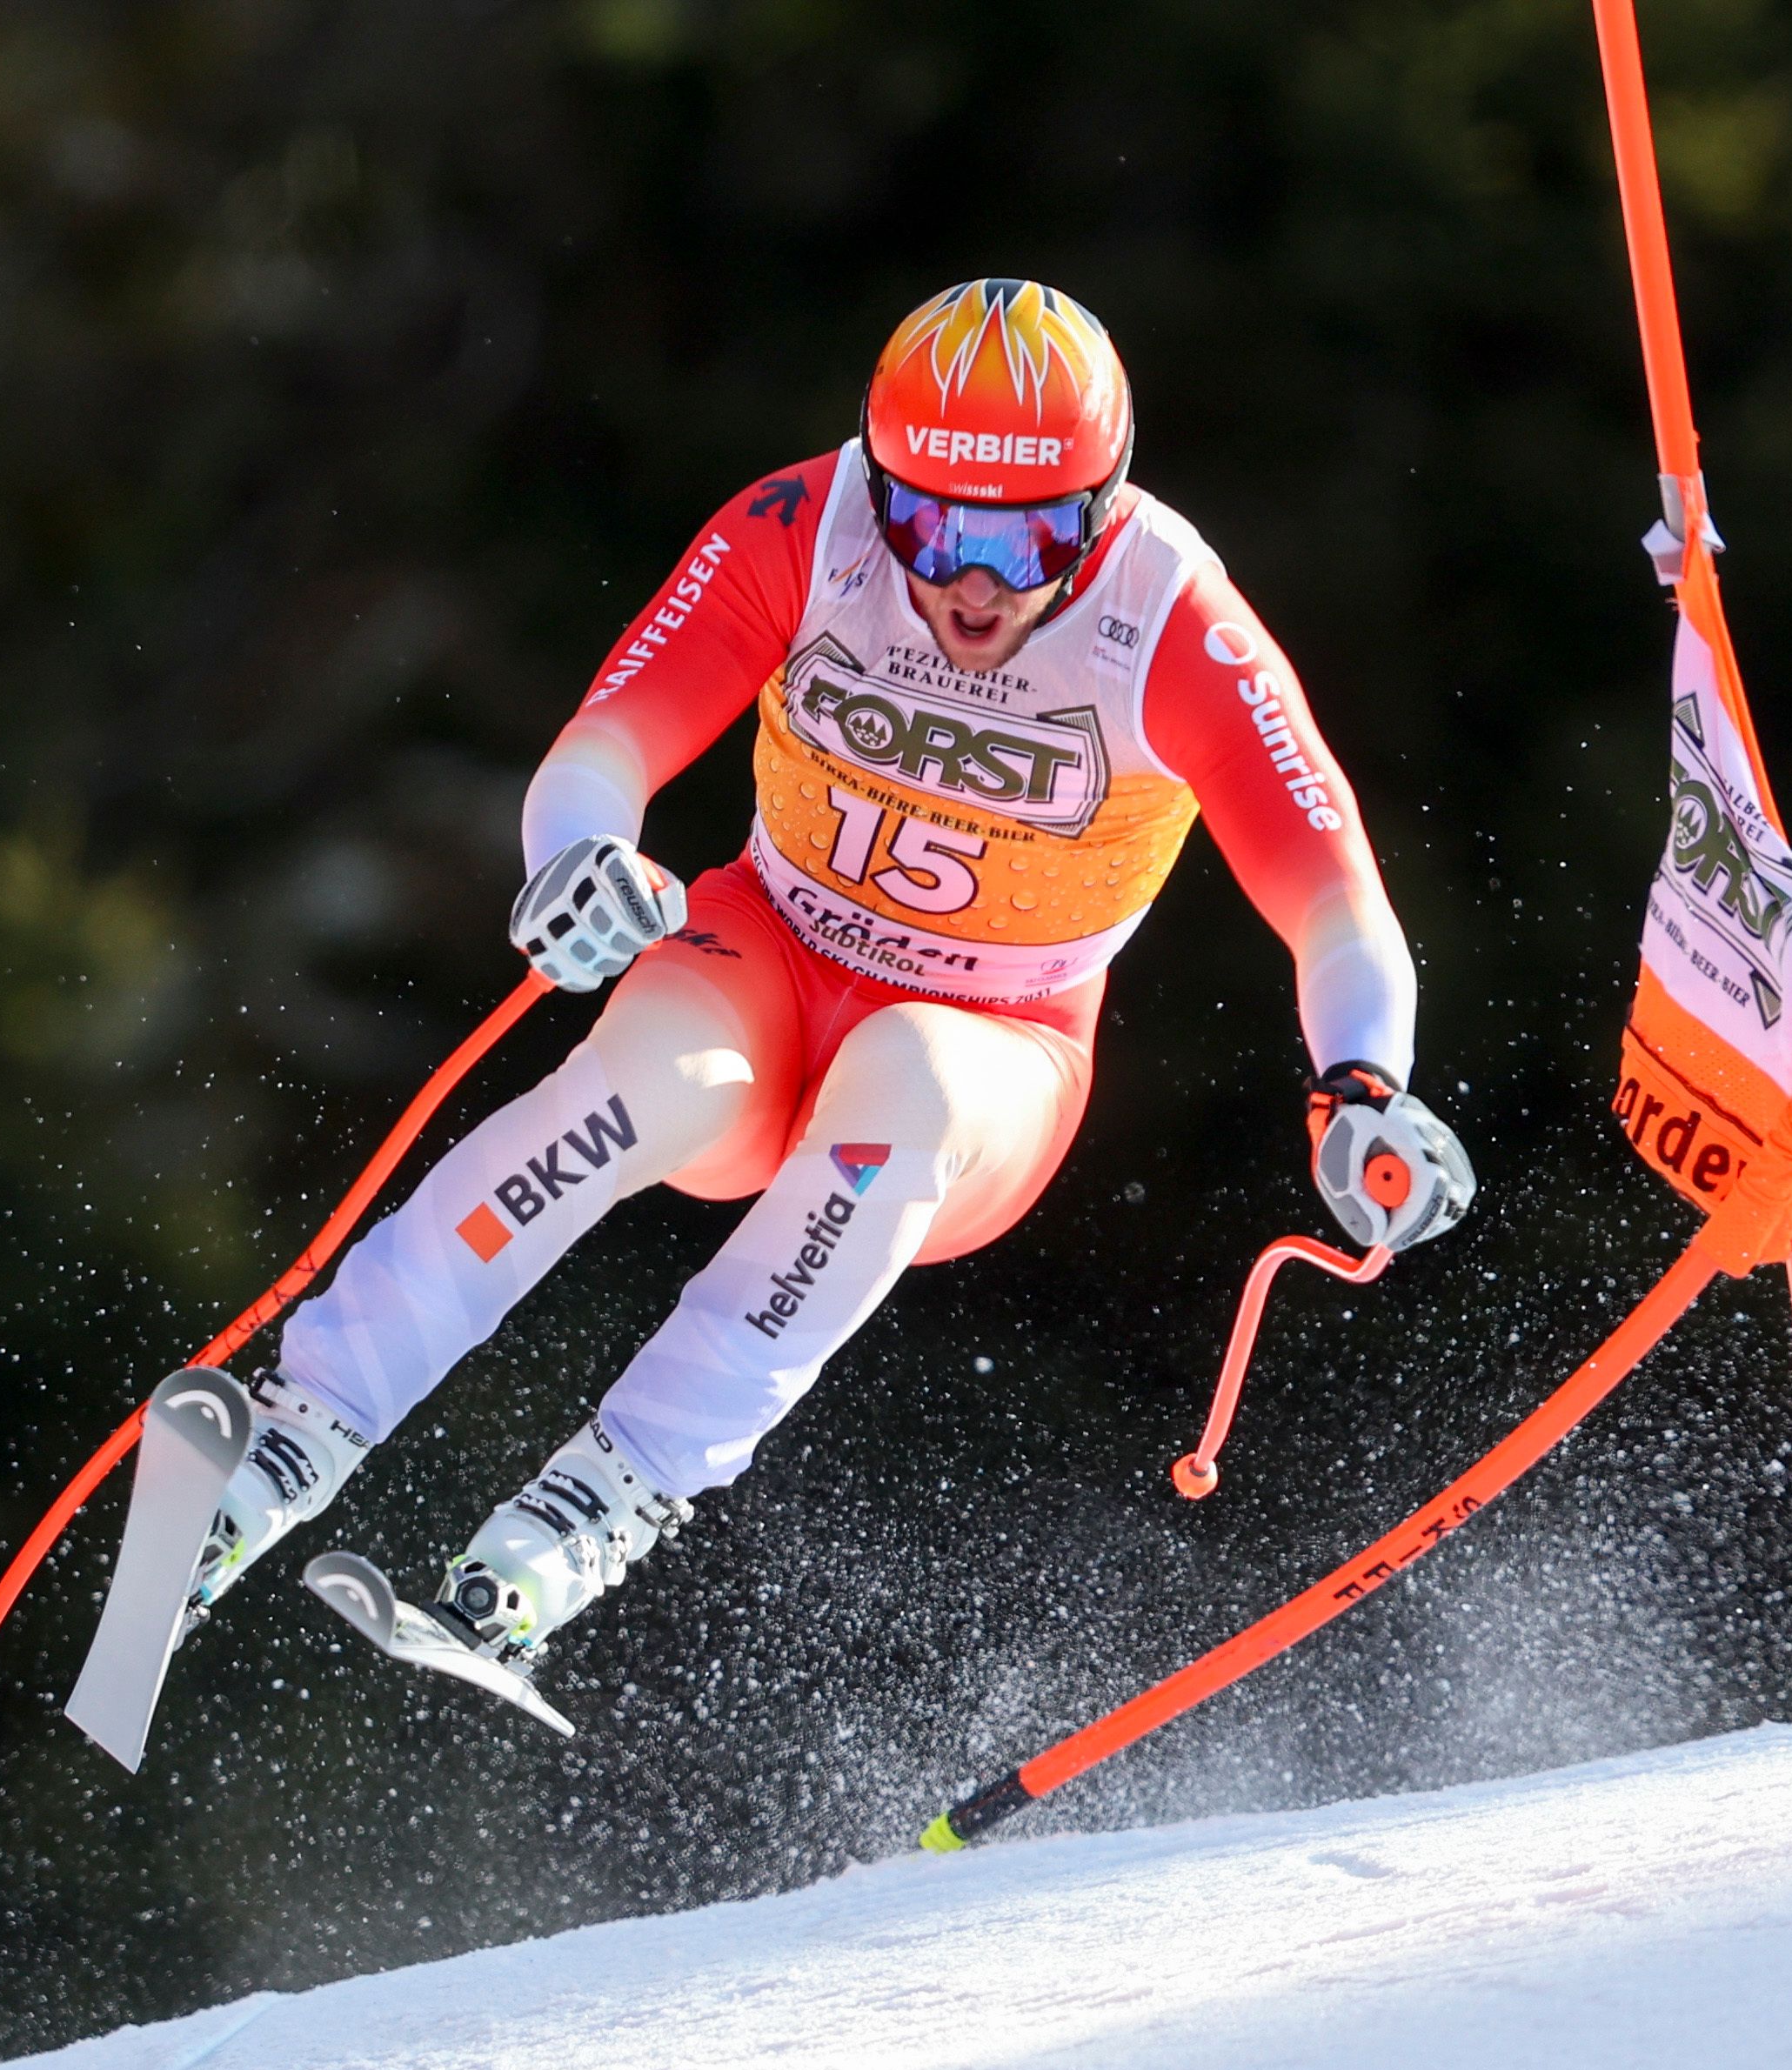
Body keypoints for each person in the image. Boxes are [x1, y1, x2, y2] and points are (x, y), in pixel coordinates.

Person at [189, 278, 1472, 1671]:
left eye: (1030, 535)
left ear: (1101, 508)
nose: (973, 582)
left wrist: (1361, 1084)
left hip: (998, 1047)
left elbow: (1341, 906)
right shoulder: (808, 530)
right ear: (877, 477)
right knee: (641, 1082)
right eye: (931, 523)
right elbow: (608, 742)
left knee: (901, 1087)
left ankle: (598, 1507)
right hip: (774, 949)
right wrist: (577, 857)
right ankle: (299, 1430)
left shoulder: (1174, 622)